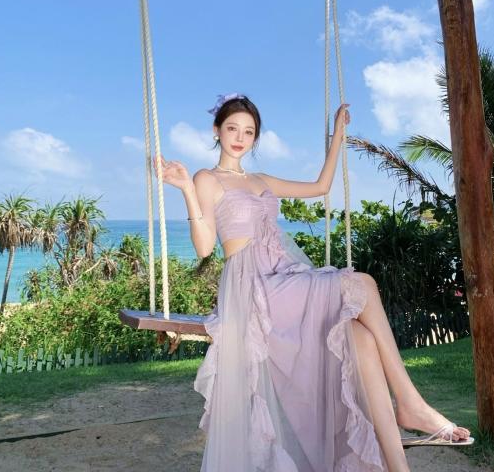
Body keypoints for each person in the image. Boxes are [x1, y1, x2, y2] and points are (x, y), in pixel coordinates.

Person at [155, 93, 472, 472]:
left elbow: (321, 186)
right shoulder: (207, 179)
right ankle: (410, 402)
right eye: (232, 129)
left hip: (284, 274)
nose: (240, 138)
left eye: (249, 132)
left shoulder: (261, 180)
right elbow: (205, 246)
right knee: (363, 285)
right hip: (253, 286)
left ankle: (399, 465)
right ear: (216, 131)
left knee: (361, 340)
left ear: (256, 137)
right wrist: (186, 190)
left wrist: (337, 135)